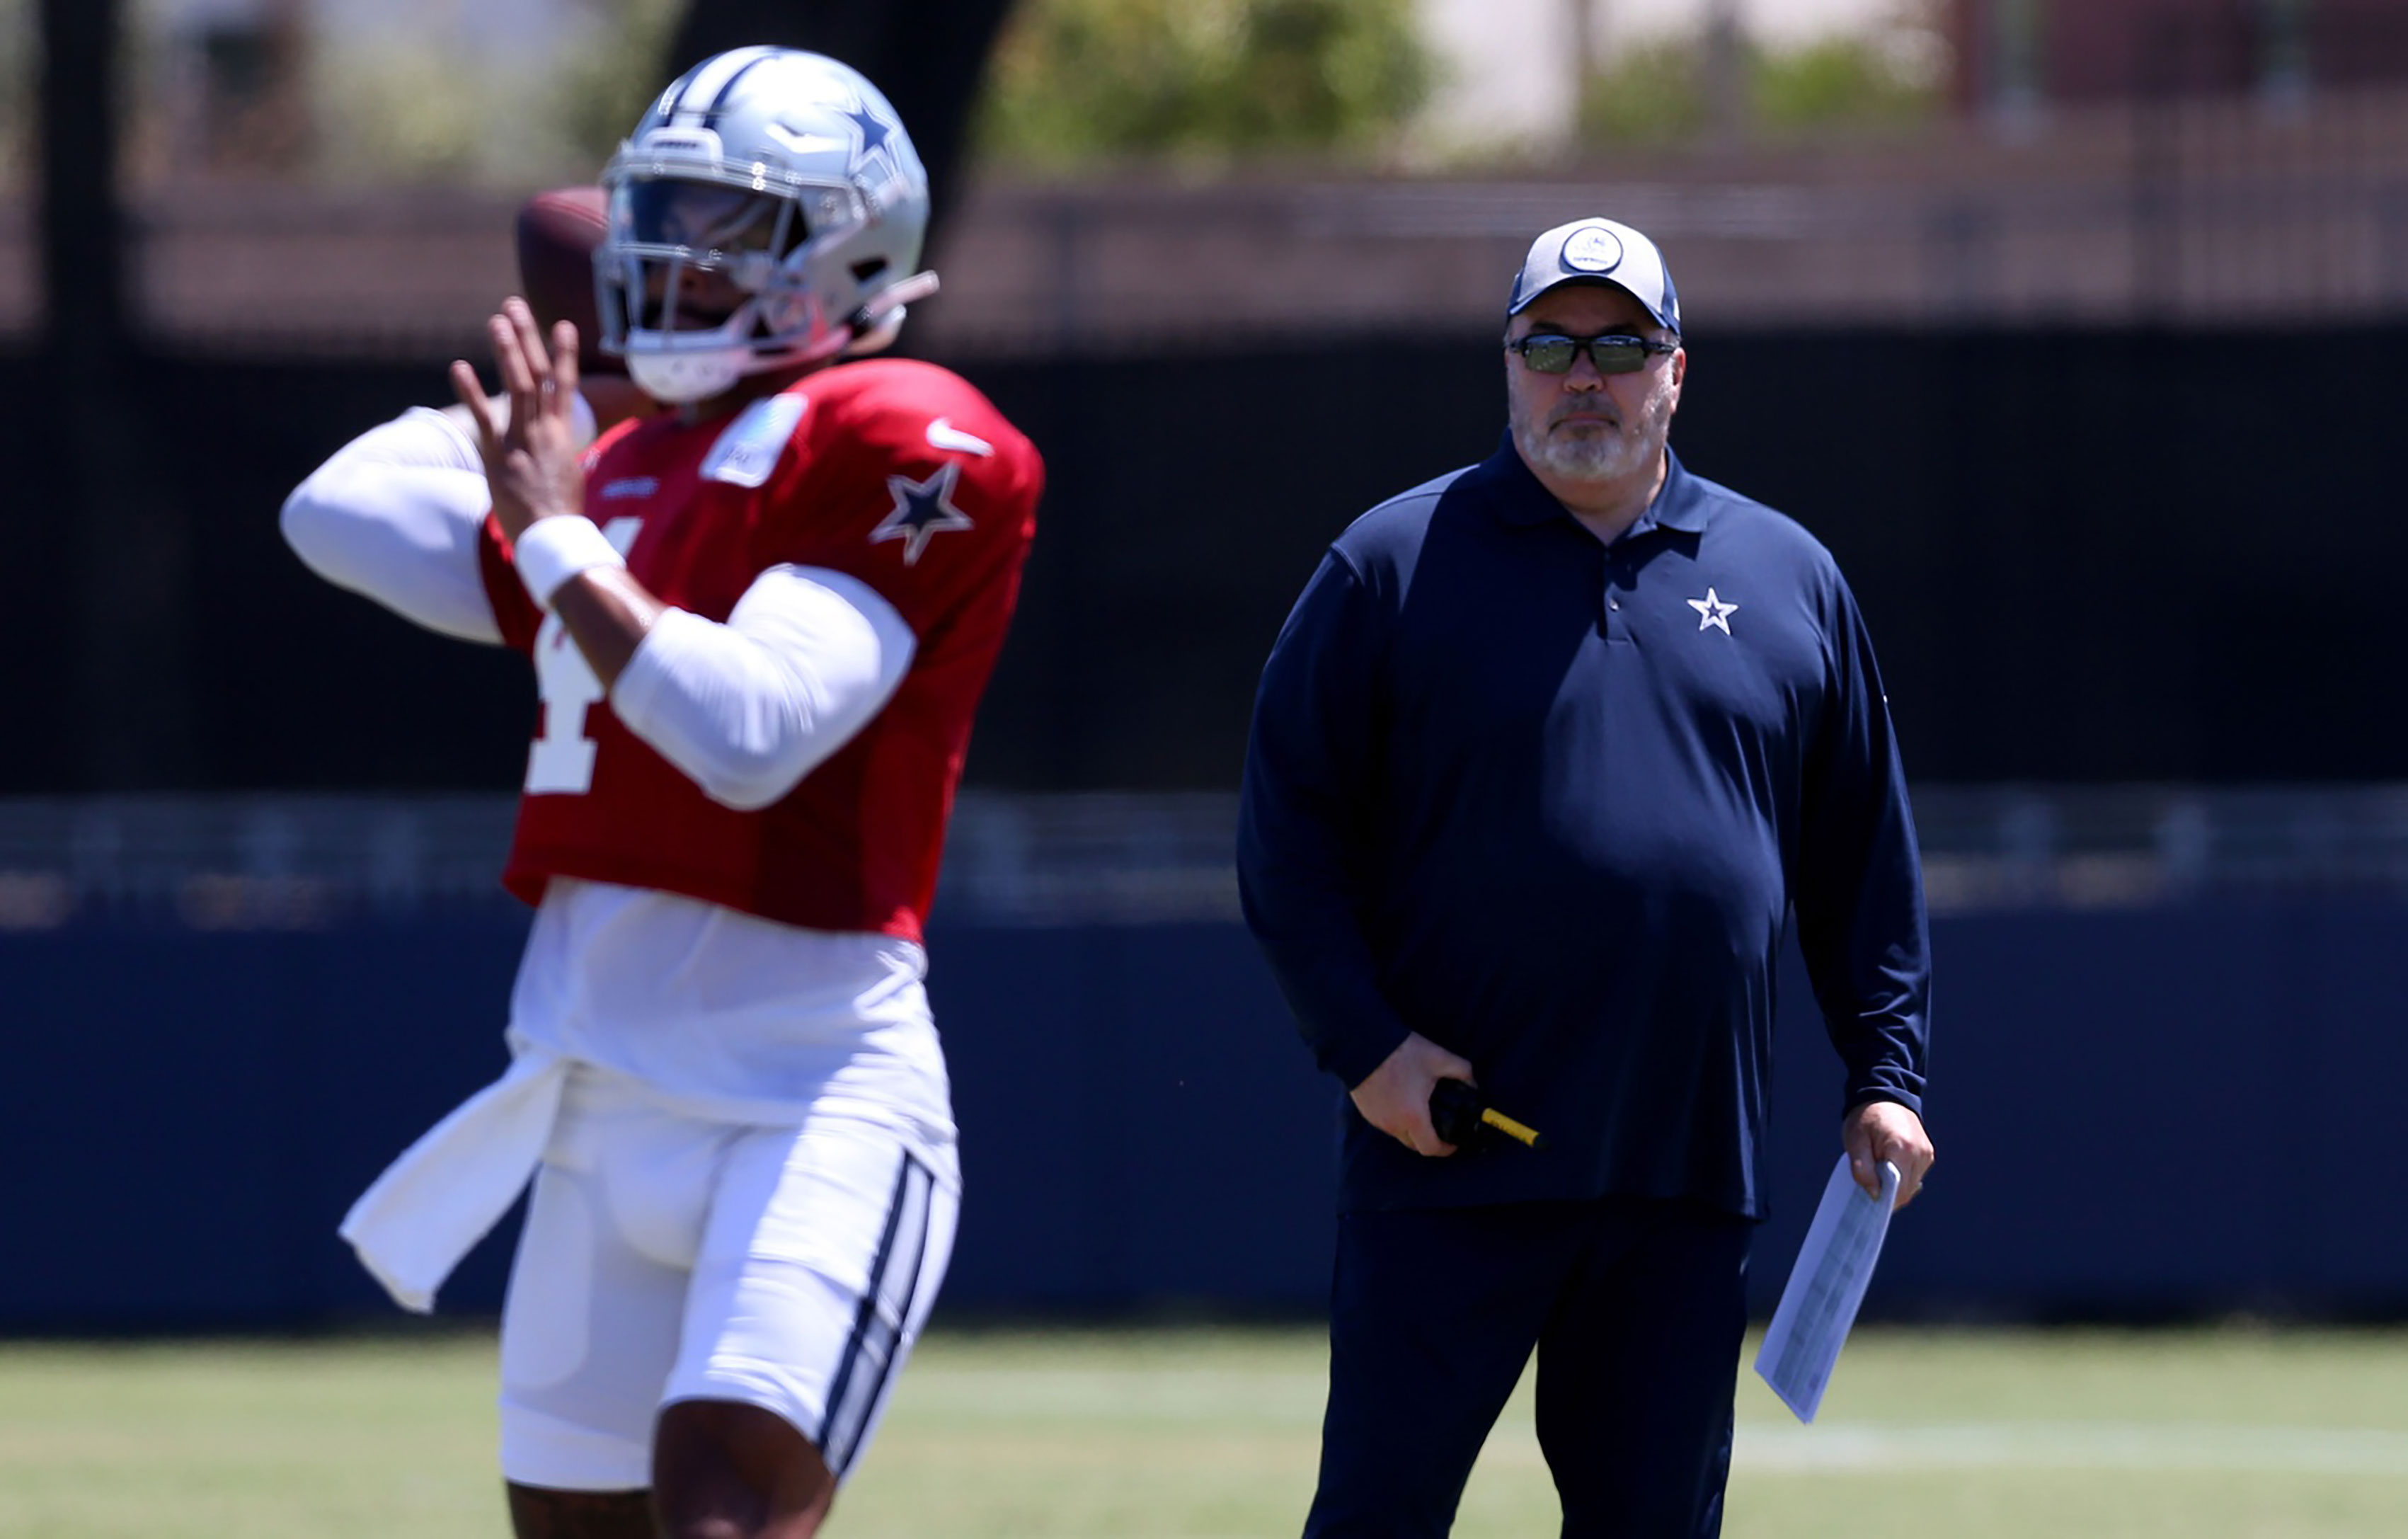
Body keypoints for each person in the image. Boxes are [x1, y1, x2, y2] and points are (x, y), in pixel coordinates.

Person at [282, 47, 1042, 1539]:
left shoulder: (896, 422)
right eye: (664, 215)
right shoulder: (627, 474)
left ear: (854, 243)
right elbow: (333, 508)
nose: (675, 259)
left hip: (804, 1095)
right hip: (593, 1096)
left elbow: (755, 727)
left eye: (731, 225)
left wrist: (564, 535)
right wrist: (577, 436)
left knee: (716, 1514)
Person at [1235, 215, 1934, 1538]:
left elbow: (1860, 857)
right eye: (1548, 342)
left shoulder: (1787, 576)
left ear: (1678, 369)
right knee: (1378, 1515)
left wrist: (1885, 1075)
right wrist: (1370, 1050)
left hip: (1680, 1170)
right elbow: (1287, 836)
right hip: (1452, 1145)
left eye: (1620, 342)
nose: (1583, 375)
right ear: (1506, 364)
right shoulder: (1392, 562)